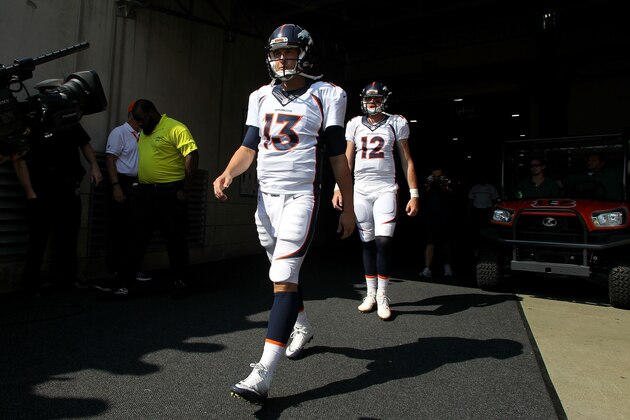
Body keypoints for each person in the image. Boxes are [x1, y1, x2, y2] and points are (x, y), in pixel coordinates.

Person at [213, 23, 355, 405]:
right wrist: (228, 172)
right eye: (275, 53)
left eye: (287, 52)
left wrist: (349, 202)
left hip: (300, 197)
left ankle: (264, 372)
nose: (280, 59)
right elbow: (248, 147)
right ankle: (303, 326)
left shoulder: (327, 94)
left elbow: (337, 153)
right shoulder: (260, 96)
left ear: (305, 53)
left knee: (283, 274)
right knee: (282, 275)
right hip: (265, 199)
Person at [332, 81, 418, 321]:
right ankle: (369, 294)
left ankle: (382, 295)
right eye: (369, 99)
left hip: (385, 189)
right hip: (360, 190)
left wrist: (414, 193)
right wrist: (338, 187)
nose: (372, 103)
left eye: (376, 99)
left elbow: (406, 161)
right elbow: (346, 159)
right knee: (367, 243)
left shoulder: (396, 122)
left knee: (383, 242)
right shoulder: (354, 124)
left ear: (384, 100)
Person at [104, 99, 199, 297]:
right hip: (145, 193)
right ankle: (124, 285)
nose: (138, 124)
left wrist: (186, 189)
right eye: (136, 120)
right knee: (135, 238)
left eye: (140, 119)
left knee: (175, 239)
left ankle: (181, 282)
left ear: (152, 112)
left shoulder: (175, 128)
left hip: (170, 193)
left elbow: (192, 155)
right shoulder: (144, 133)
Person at [13, 122, 102, 296]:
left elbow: (84, 143)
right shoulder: (33, 122)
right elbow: (19, 159)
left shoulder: (68, 120)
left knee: (69, 236)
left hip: (68, 188)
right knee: (38, 239)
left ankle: (67, 279)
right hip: (42, 189)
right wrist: (30, 192)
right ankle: (31, 284)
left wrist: (95, 165)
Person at [101, 100, 151, 286]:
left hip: (138, 184)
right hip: (122, 181)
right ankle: (114, 271)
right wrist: (115, 185)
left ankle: (132, 269)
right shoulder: (119, 133)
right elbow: (110, 159)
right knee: (118, 229)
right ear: (133, 114)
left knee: (136, 229)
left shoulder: (143, 135)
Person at [419, 164, 455, 278]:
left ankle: (447, 266)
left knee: (446, 244)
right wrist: (430, 183)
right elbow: (422, 194)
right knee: (430, 243)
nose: (436, 177)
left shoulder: (447, 181)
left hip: (445, 216)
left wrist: (442, 183)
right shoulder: (428, 181)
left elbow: (451, 193)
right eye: (434, 174)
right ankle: (427, 268)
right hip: (431, 216)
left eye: (438, 174)